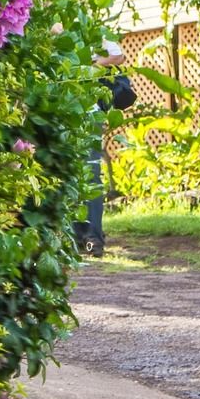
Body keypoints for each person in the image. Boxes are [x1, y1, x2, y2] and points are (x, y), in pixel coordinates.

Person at [76, 40, 138, 256]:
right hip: (60, 110)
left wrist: (89, 67)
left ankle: (92, 239)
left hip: (88, 112)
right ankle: (76, 238)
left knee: (90, 173)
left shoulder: (87, 31)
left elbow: (118, 55)